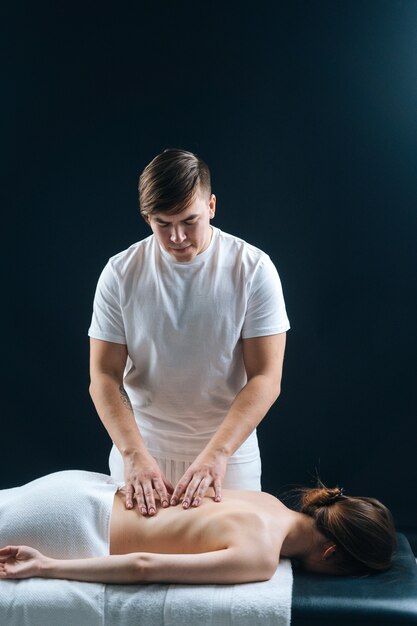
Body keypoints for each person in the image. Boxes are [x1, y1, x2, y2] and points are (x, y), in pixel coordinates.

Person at [88, 148, 290, 516]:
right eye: (163, 224)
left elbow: (266, 377)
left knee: (231, 567)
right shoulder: (119, 273)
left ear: (211, 206)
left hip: (228, 456)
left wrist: (217, 454)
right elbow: (103, 375)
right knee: (130, 564)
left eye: (189, 221)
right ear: (146, 217)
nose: (177, 236)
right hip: (140, 451)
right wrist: (133, 454)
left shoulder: (254, 269)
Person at [0, 470, 395, 584]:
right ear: (331, 553)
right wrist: (44, 566)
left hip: (77, 486)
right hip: (69, 525)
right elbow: (143, 566)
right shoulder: (260, 558)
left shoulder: (267, 502)